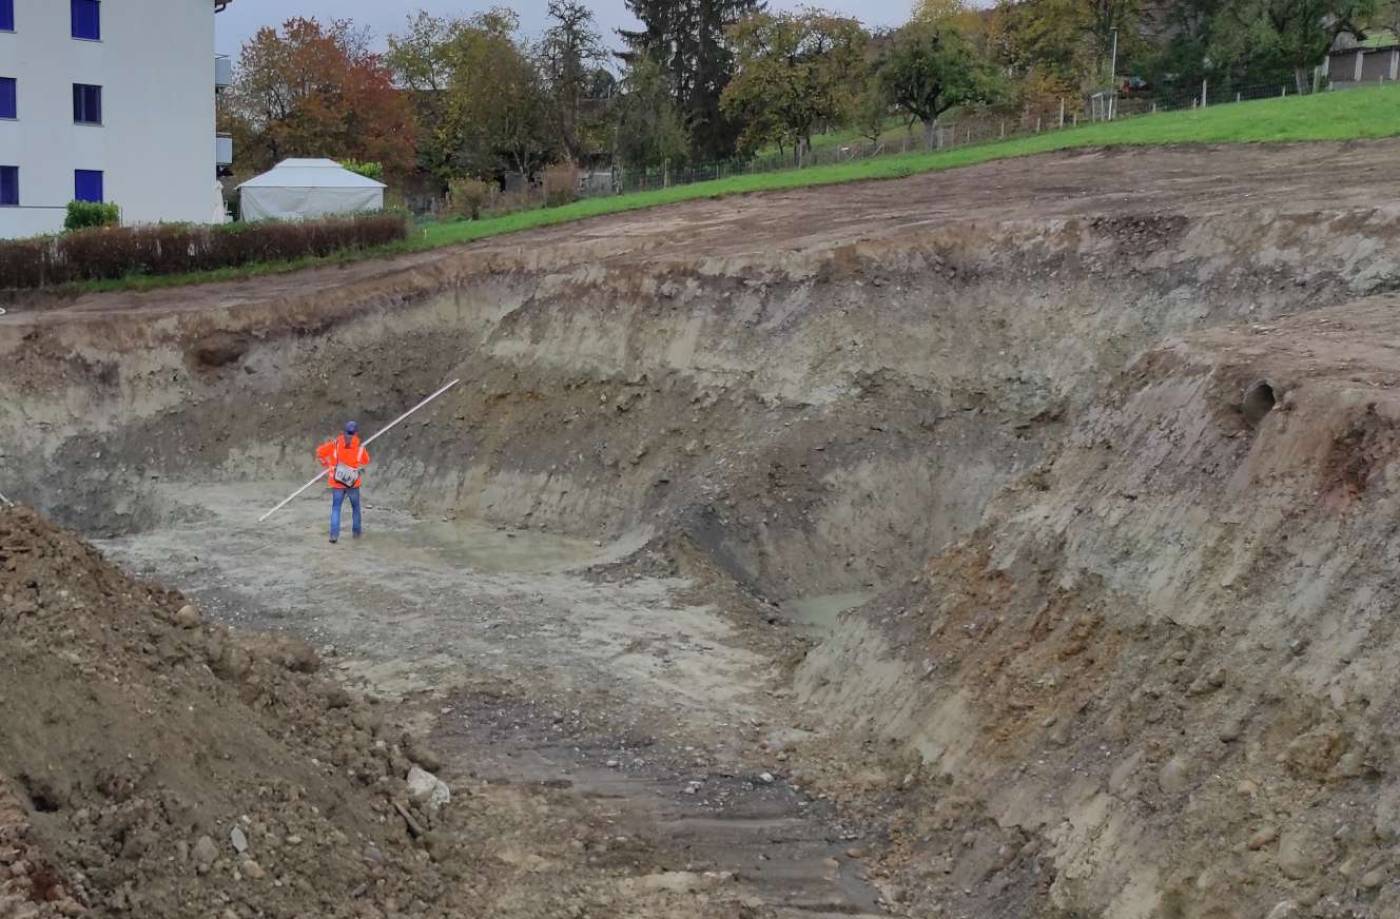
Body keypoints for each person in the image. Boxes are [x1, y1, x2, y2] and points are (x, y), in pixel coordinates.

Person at [316, 421, 371, 544]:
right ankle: (356, 533)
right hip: (353, 483)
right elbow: (366, 461)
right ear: (356, 433)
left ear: (344, 432)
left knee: (336, 508)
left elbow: (319, 452)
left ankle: (333, 536)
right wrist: (360, 450)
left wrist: (326, 464)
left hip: (337, 483)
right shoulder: (360, 447)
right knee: (356, 508)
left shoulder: (334, 444)